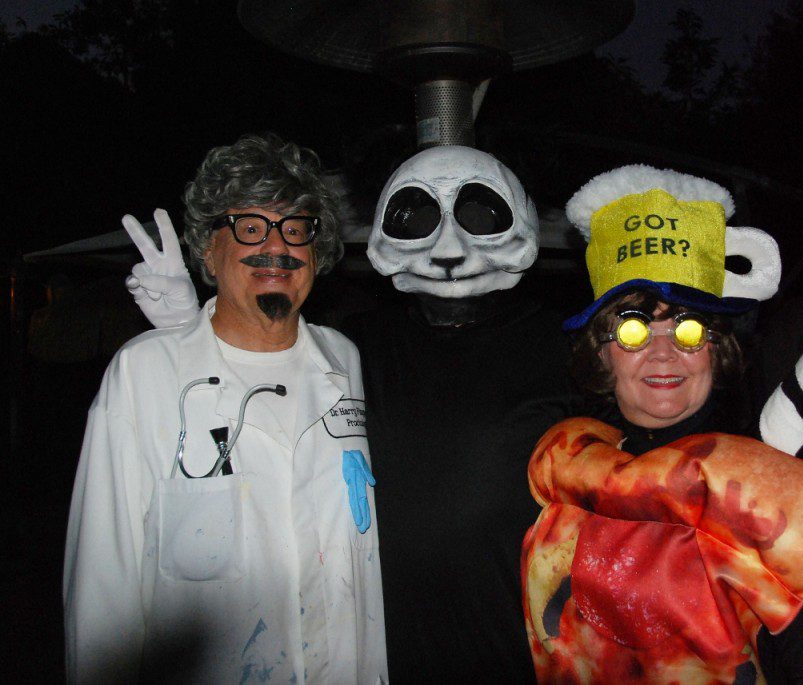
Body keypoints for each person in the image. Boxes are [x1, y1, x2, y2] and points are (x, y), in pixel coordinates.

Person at [126, 145, 577, 681]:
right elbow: (268, 389)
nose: (449, 249)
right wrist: (190, 336)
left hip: (518, 656)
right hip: (374, 655)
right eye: (419, 221)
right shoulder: (350, 348)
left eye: (480, 218)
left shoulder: (567, 350)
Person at [520, 165, 803, 683]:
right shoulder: (568, 469)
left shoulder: (769, 485)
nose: (663, 352)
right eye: (632, 331)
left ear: (716, 351)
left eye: (689, 329)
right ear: (603, 354)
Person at [63, 133, 387, 683]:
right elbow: (102, 584)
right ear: (208, 250)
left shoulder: (344, 360)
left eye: (296, 228)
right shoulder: (144, 373)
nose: (277, 246)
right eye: (250, 227)